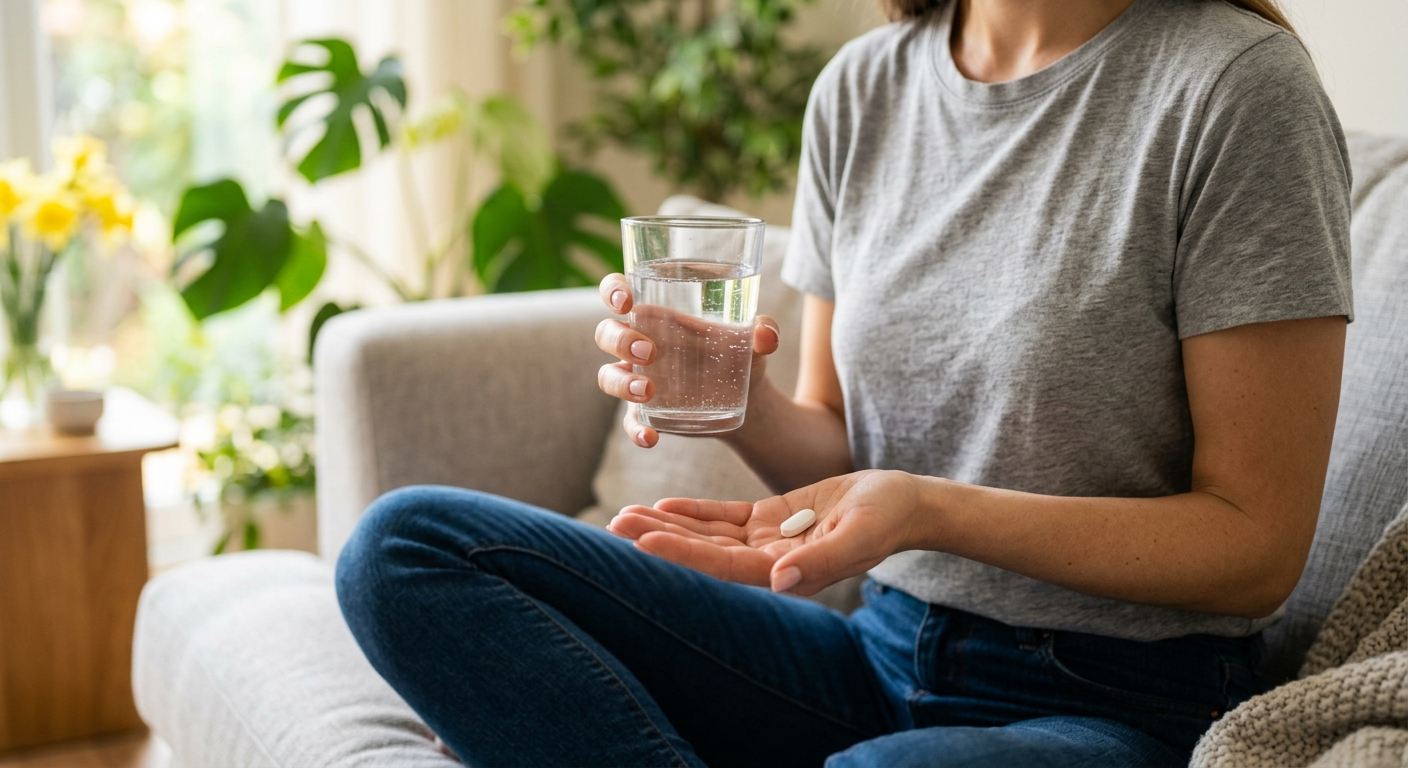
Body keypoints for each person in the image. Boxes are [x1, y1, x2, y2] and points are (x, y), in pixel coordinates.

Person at [335, 0, 1352, 764]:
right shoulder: (864, 88)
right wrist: (743, 403)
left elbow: (1253, 544)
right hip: (878, 651)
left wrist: (927, 511)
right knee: (404, 550)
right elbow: (837, 446)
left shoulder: (1235, 87)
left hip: (1112, 697)